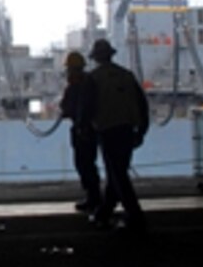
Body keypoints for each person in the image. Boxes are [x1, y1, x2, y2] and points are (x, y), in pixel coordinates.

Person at [86, 39, 149, 234]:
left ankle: (135, 214)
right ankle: (104, 212)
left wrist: (84, 128)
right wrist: (141, 130)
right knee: (117, 172)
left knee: (118, 174)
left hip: (107, 130)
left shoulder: (93, 78)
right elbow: (142, 104)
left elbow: (87, 107)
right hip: (127, 129)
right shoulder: (127, 76)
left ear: (96, 57)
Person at [59, 50, 101, 214]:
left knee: (85, 164)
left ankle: (94, 197)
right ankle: (94, 196)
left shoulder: (79, 85)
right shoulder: (83, 83)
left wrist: (79, 122)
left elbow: (75, 107)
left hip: (84, 130)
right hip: (84, 128)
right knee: (85, 163)